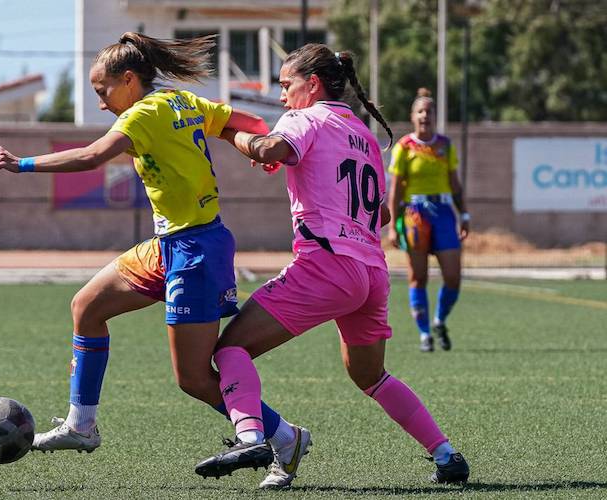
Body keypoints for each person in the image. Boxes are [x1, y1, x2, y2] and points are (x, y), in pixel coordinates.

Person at [0, 32, 295, 456]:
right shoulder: (182, 101)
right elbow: (242, 122)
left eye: (103, 91)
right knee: (86, 308)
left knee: (194, 379)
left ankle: (284, 436)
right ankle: (81, 425)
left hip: (196, 252)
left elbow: (93, 156)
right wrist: (261, 147)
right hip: (167, 246)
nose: (100, 102)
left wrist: (22, 164)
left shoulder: (141, 115)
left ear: (129, 79)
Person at [193, 44, 470, 488]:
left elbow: (267, 148)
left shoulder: (305, 118)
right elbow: (378, 214)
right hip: (371, 274)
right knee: (371, 375)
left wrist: (227, 131)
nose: (282, 96)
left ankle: (250, 437)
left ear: (313, 84)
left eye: (286, 85)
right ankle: (446, 454)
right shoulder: (361, 131)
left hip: (326, 266)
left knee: (229, 350)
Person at [387, 88, 470, 352]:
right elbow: (397, 189)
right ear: (413, 116)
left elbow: (455, 184)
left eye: (429, 111)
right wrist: (393, 225)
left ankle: (439, 320)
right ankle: (424, 335)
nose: (425, 115)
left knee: (453, 276)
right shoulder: (404, 147)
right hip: (415, 215)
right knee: (418, 277)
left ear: (435, 116)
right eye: (420, 111)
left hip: (443, 213)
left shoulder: (445, 145)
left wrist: (463, 214)